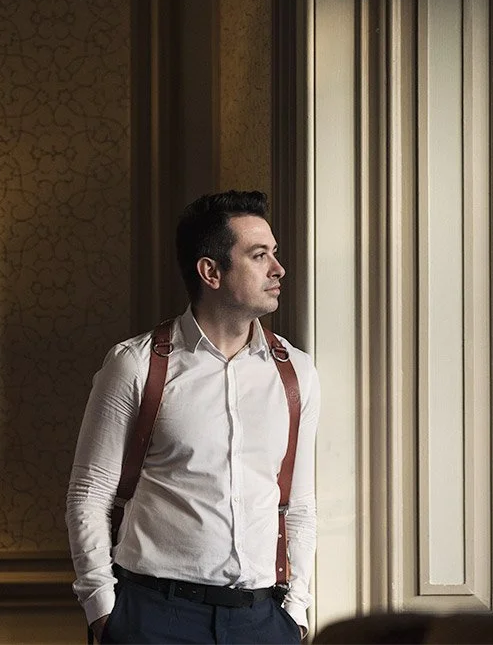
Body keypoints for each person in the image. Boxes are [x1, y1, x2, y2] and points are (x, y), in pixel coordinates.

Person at [65, 190, 319, 644]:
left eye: (274, 254)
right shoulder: (136, 364)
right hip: (154, 616)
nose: (278, 269)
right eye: (259, 256)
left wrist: (295, 609)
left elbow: (297, 504)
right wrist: (102, 609)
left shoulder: (295, 372)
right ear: (211, 271)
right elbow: (90, 493)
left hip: (262, 620)